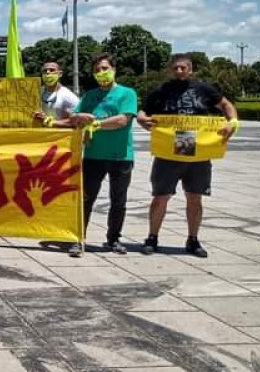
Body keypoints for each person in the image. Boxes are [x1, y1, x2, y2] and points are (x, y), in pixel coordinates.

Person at [136, 53, 238, 258]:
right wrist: (142, 120)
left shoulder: (204, 89)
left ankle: (193, 239)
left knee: (195, 197)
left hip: (198, 153)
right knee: (160, 197)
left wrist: (232, 122)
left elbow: (226, 105)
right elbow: (142, 112)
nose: (179, 71)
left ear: (191, 69)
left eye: (183, 67)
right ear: (170, 70)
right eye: (175, 68)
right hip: (168, 152)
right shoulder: (161, 91)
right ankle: (152, 237)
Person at [70, 54, 138, 256]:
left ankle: (113, 239)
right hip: (93, 155)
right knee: (86, 199)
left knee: (118, 200)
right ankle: (78, 238)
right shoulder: (90, 96)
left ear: (114, 69)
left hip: (121, 156)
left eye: (105, 68)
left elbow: (122, 120)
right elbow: (75, 116)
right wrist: (79, 117)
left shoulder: (127, 93)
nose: (101, 73)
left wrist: (96, 123)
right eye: (97, 70)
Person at [34, 61, 79, 127]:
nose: (48, 72)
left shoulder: (68, 96)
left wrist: (49, 121)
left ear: (60, 74)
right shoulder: (37, 91)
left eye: (52, 70)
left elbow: (77, 121)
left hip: (58, 136)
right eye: (44, 71)